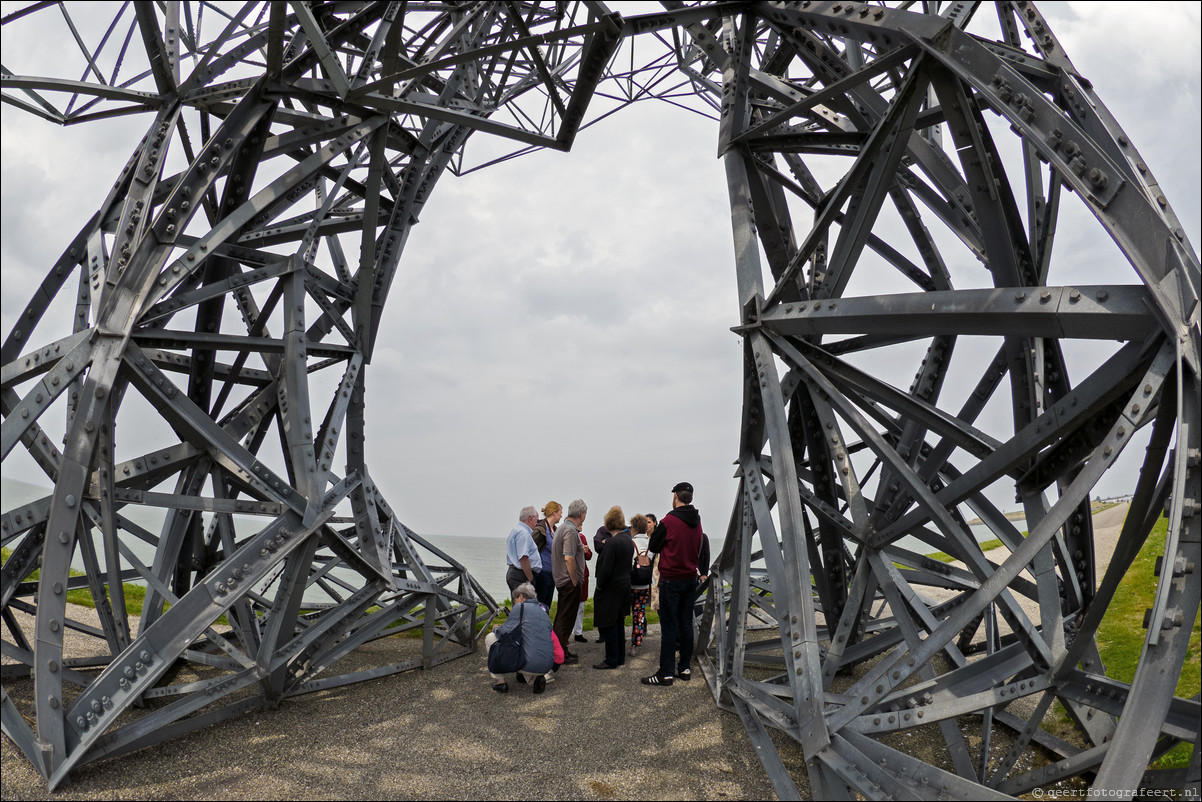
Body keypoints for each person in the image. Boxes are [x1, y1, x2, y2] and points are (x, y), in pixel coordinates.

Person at [643, 482, 709, 687]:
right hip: (690, 578)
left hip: (671, 579)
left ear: (675, 496)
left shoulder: (669, 521)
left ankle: (666, 673)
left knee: (670, 628)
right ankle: (684, 668)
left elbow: (653, 545)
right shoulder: (697, 521)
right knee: (686, 624)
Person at [485, 582, 555, 694]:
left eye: (514, 599)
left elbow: (504, 632)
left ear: (521, 597)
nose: (514, 602)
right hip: (547, 664)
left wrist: (496, 629)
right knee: (528, 644)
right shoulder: (543, 612)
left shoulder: (520, 607)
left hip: (530, 663)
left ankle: (500, 682)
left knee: (491, 638)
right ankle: (535, 678)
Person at [592, 506, 634, 669]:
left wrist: (600, 586)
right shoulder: (628, 541)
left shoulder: (612, 543)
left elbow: (605, 569)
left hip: (611, 587)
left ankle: (611, 659)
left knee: (609, 623)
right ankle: (620, 657)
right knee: (619, 622)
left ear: (609, 523)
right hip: (624, 584)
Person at [551, 499, 588, 663]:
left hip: (562, 580)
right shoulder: (571, 531)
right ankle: (560, 653)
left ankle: (560, 650)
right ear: (581, 514)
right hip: (568, 582)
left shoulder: (562, 528)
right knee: (565, 619)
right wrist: (575, 581)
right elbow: (569, 558)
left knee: (562, 617)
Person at [628, 513, 653, 651]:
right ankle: (635, 644)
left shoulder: (631, 543)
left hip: (631, 583)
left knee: (625, 611)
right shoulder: (651, 544)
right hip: (645, 584)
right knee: (639, 613)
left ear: (635, 528)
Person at [531, 501, 562, 608]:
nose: (561, 515)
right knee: (540, 603)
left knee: (547, 604)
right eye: (560, 512)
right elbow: (531, 548)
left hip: (552, 573)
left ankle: (544, 624)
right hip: (542, 572)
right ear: (554, 513)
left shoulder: (555, 530)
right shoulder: (541, 529)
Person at [505, 506, 542, 593]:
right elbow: (523, 557)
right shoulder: (523, 533)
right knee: (524, 604)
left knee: (519, 604)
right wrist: (530, 578)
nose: (537, 523)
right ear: (530, 519)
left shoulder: (516, 530)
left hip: (516, 572)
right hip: (521, 574)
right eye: (536, 520)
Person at [571, 523, 594, 643]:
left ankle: (578, 632)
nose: (582, 526)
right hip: (571, 574)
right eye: (580, 524)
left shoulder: (582, 537)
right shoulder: (569, 537)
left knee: (581, 605)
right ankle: (567, 632)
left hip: (583, 574)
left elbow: (589, 555)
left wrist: (585, 551)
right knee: (569, 605)